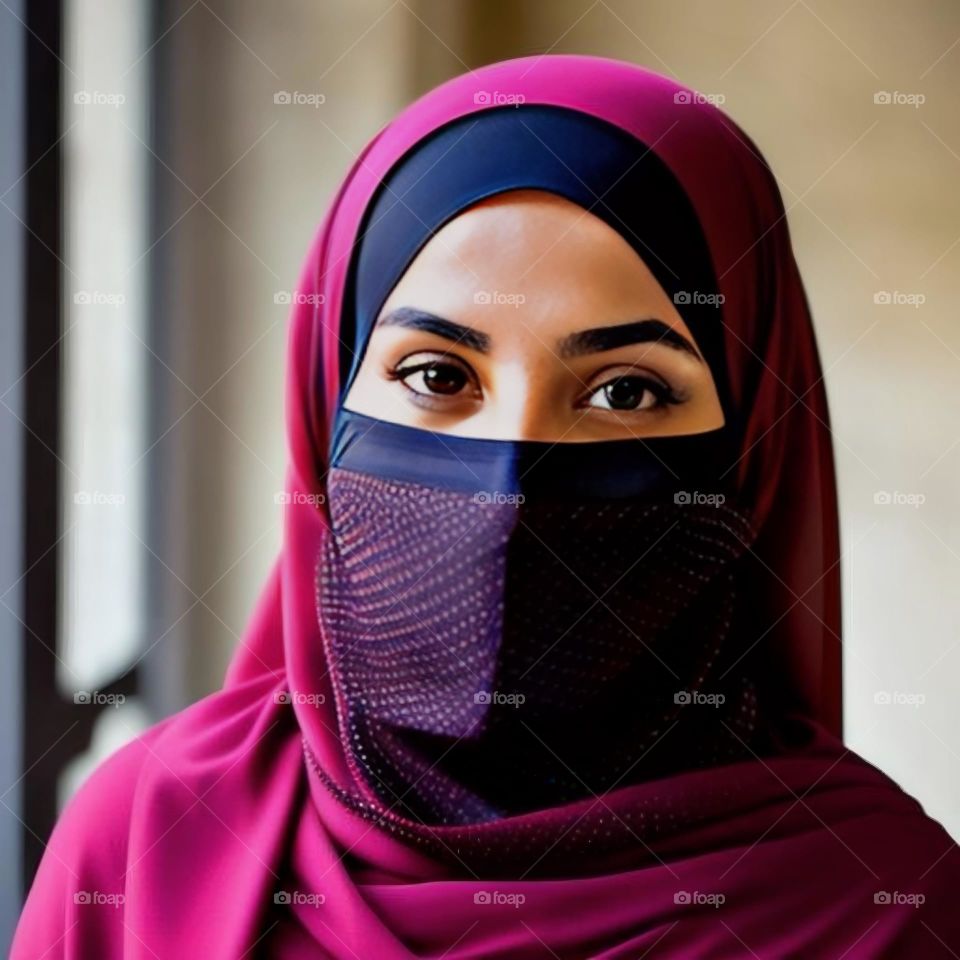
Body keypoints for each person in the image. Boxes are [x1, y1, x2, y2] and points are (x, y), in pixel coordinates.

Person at [12, 52, 960, 959]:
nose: (508, 487)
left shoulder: (886, 909)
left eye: (625, 392)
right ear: (322, 408)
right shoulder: (149, 843)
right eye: (435, 374)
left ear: (753, 441)